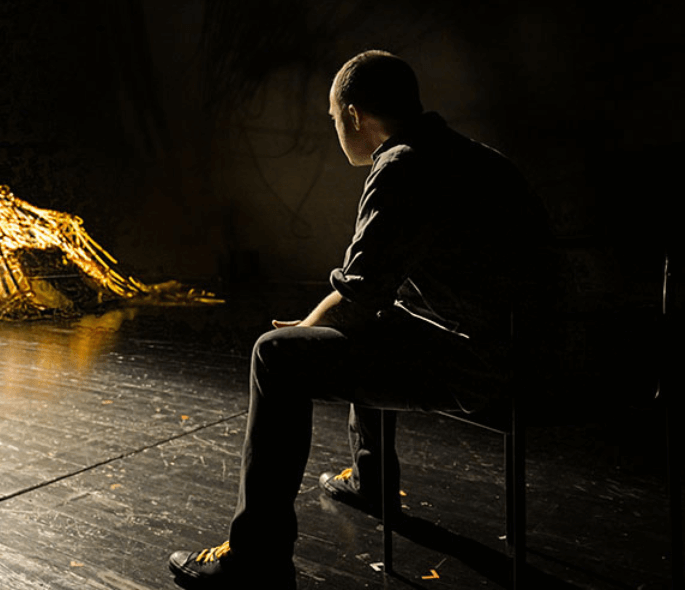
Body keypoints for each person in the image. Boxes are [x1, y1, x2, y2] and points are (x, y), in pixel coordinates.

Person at [167, 50, 552, 589]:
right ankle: (371, 480)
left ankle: (256, 561)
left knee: (274, 357)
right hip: (538, 349)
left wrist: (302, 329)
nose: (334, 129)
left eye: (332, 119)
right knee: (379, 317)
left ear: (352, 115)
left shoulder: (402, 166)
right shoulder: (475, 156)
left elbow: (357, 294)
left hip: (485, 366)